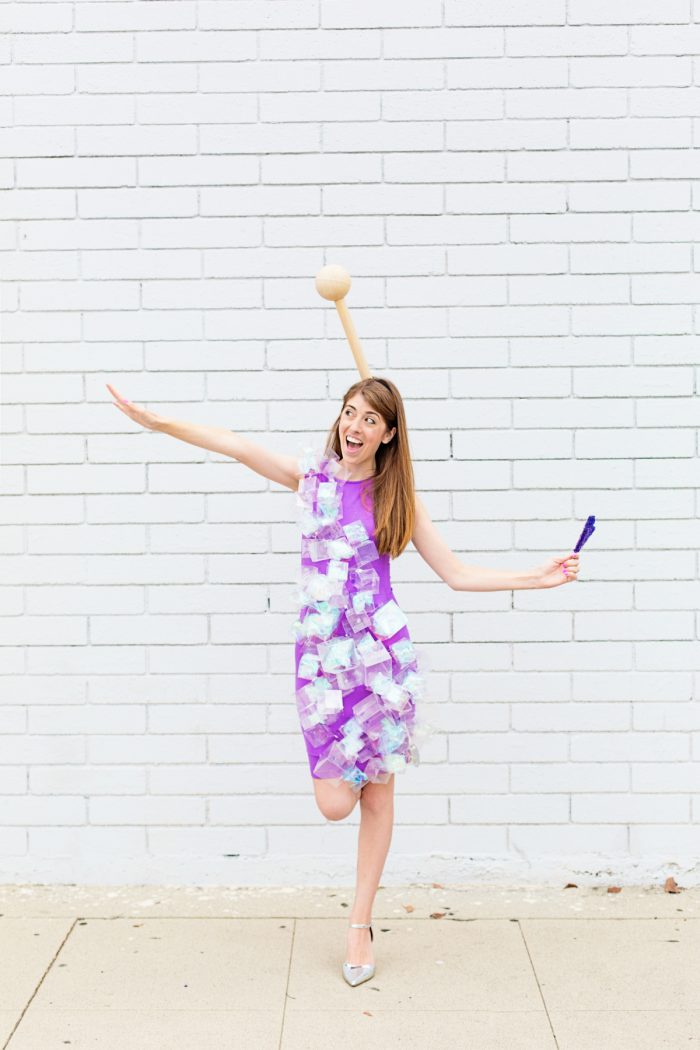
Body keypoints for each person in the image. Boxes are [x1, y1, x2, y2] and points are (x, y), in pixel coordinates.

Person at [105, 375, 580, 986]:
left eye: (369, 420)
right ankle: (358, 851)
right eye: (349, 413)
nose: (354, 426)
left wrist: (536, 578)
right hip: (321, 666)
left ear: (387, 436)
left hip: (381, 663)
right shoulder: (312, 480)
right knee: (335, 803)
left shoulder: (394, 498)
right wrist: (157, 422)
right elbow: (234, 443)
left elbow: (457, 574)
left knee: (378, 794)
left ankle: (359, 922)